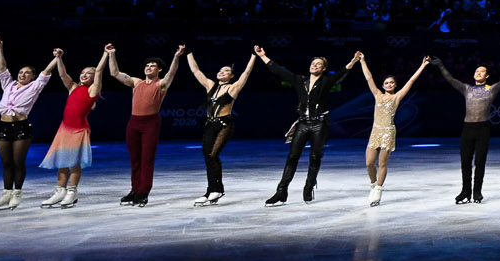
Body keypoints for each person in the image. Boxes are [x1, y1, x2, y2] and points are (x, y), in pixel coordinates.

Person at [257, 46, 359, 205]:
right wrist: (263, 56)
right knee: (292, 157)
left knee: (315, 157)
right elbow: (279, 71)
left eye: (318, 64)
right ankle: (281, 191)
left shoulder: (326, 82)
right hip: (303, 123)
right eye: (313, 63)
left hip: (320, 124)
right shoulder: (300, 81)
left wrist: (353, 61)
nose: (314, 65)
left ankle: (309, 186)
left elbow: (341, 73)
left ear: (323, 68)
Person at [101, 43, 186, 206]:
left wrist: (176, 57)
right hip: (133, 122)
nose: (148, 67)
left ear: (159, 69)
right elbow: (114, 73)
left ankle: (143, 191)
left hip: (150, 123)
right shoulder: (136, 82)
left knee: (147, 159)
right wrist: (111, 54)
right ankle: (134, 190)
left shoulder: (161, 84)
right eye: (147, 65)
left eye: (152, 66)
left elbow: (172, 72)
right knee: (135, 159)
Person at [0, 44, 65, 211]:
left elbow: (46, 71)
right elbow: (2, 67)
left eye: (27, 73)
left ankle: (17, 193)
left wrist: (57, 57)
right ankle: (6, 193)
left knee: (18, 162)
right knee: (7, 163)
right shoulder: (8, 84)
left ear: (33, 76)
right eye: (21, 72)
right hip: (3, 126)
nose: (22, 74)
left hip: (21, 127)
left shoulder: (35, 86)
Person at [442, 47, 500, 204]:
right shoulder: (467, 88)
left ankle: (477, 191)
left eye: (482, 71)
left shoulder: (491, 89)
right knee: (465, 162)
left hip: (482, 129)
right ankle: (465, 191)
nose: (478, 73)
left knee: (479, 162)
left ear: (487, 75)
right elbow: (450, 79)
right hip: (467, 128)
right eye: (477, 71)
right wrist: (440, 65)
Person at [182, 49, 259, 205]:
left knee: (213, 155)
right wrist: (189, 53)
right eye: (220, 70)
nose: (222, 72)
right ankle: (210, 191)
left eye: (226, 71)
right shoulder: (211, 85)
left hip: (224, 125)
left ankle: (217, 189)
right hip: (210, 125)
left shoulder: (233, 88)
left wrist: (253, 55)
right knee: (207, 156)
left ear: (232, 76)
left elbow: (246, 72)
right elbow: (196, 70)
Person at [355, 54, 430, 206]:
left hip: (388, 132)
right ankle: (373, 184)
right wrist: (362, 61)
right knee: (369, 163)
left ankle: (378, 189)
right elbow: (369, 78)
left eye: (391, 83)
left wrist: (423, 65)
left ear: (395, 85)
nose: (389, 84)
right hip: (375, 131)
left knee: (382, 164)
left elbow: (411, 81)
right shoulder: (377, 95)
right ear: (383, 86)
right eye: (386, 83)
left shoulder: (397, 97)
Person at [39, 54, 101, 207]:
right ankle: (60, 191)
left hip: (78, 130)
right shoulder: (74, 87)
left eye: (89, 73)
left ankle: (72, 192)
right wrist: (59, 58)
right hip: (64, 129)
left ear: (94, 78)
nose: (84, 75)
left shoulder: (93, 90)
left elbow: (99, 71)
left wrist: (106, 54)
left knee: (73, 163)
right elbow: (62, 74)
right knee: (62, 160)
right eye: (83, 72)